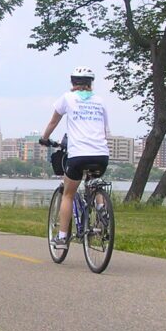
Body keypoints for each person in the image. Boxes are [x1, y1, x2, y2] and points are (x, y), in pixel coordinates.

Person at [39, 66, 110, 250]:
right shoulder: (100, 101)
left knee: (68, 194)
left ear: (72, 82)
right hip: (101, 155)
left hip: (78, 154)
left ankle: (62, 237)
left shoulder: (67, 98)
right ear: (91, 83)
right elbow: (104, 131)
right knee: (93, 180)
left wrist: (44, 138)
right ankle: (101, 210)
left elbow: (53, 121)